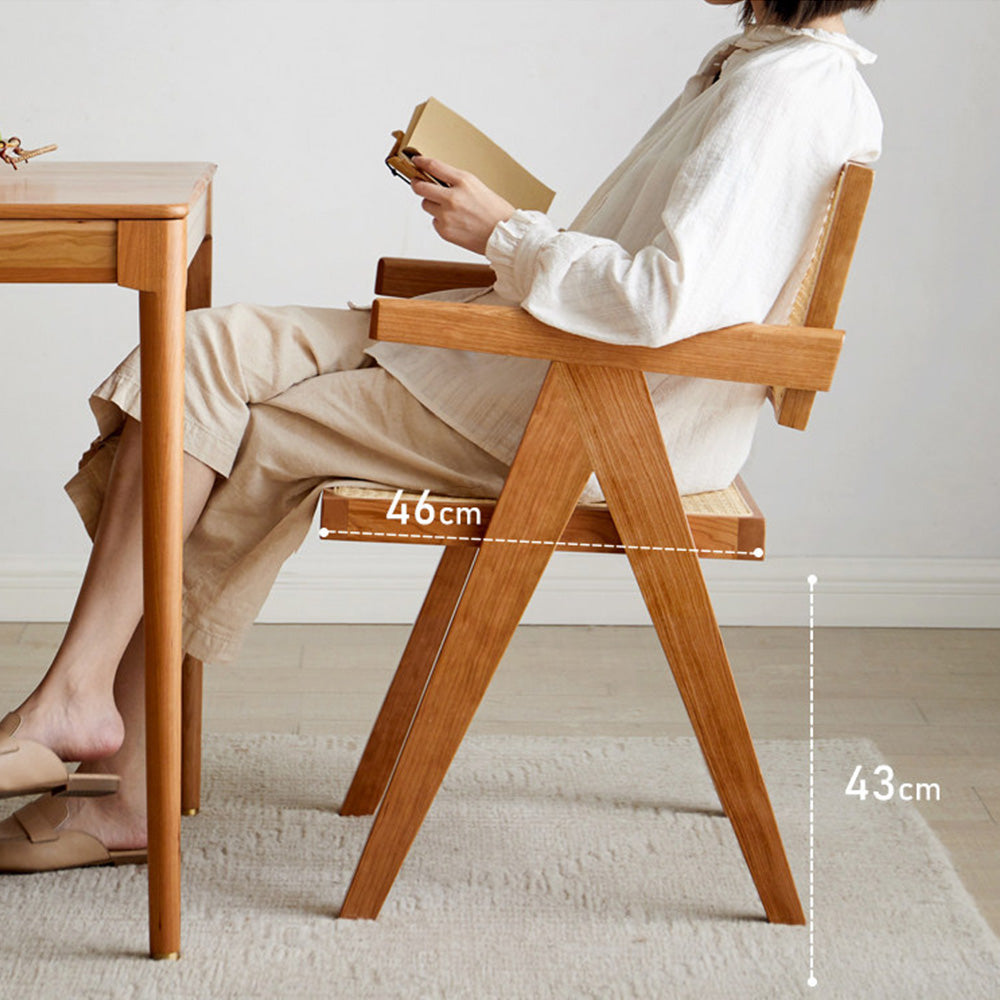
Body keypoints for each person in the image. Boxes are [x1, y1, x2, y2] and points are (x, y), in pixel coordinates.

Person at [0, 0, 882, 872]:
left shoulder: (785, 91)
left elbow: (660, 303)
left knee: (236, 435)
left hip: (586, 417)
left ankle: (119, 784)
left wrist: (504, 232)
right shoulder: (760, 65)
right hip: (521, 360)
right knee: (196, 356)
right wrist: (504, 226)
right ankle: (79, 699)